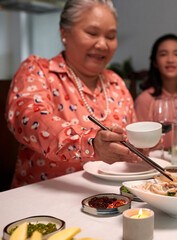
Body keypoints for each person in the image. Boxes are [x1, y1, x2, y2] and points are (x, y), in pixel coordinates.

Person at [6, 0, 145, 188]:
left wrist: (141, 144)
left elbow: (130, 139)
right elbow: (30, 120)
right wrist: (90, 143)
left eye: (111, 36)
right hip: (44, 201)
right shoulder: (37, 70)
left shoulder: (115, 82)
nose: (103, 44)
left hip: (109, 197)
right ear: (64, 33)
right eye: (92, 33)